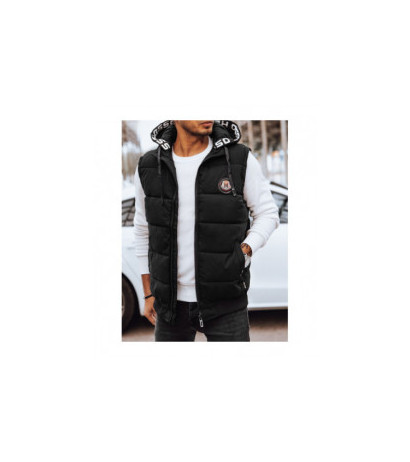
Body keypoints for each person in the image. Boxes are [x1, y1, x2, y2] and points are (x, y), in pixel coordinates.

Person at [134, 120, 279, 341]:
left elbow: (267, 213)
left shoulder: (239, 158)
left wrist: (243, 252)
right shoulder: (149, 166)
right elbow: (143, 229)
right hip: (169, 305)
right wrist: (148, 293)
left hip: (226, 302)